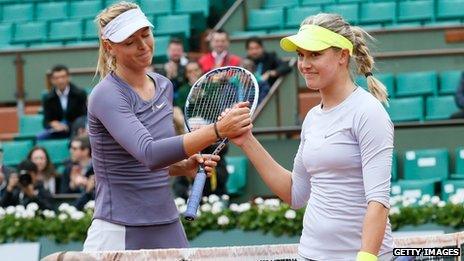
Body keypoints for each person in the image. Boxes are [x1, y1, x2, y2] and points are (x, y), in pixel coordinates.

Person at [83, 2, 251, 252]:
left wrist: (181, 166)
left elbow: (150, 161)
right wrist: (217, 130)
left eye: (145, 35)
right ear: (110, 47)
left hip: (167, 224)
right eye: (130, 42)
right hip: (118, 227)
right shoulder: (106, 95)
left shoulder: (164, 86)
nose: (143, 46)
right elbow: (149, 153)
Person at [229, 13, 394, 260]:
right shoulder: (313, 118)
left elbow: (378, 203)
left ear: (342, 56)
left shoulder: (369, 112)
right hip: (310, 254)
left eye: (315, 54)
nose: (304, 64)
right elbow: (296, 193)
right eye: (301, 55)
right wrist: (247, 141)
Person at [38, 65, 87, 140]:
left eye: (63, 77)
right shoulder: (48, 98)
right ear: (52, 80)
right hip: (57, 131)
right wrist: (53, 124)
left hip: (75, 129)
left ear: (68, 77)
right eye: (57, 78)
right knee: (40, 137)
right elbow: (46, 121)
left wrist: (67, 126)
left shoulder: (80, 94)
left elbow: (83, 116)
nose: (60, 80)